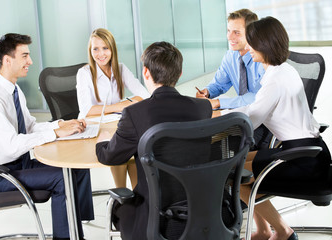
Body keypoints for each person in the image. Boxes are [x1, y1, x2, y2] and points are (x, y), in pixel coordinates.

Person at [217, 17, 331, 240]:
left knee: (230, 173)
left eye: (252, 43)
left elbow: (250, 120)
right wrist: (224, 113)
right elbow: (254, 108)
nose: (248, 48)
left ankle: (282, 232)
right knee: (236, 162)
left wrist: (216, 119)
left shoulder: (275, 80)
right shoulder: (283, 71)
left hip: (302, 159)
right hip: (309, 151)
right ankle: (263, 230)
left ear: (265, 44)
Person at [0, 33, 94, 240]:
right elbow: (11, 145)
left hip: (21, 165)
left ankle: (75, 227)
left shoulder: (14, 90)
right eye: (24, 56)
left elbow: (29, 127)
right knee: (61, 179)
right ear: (7, 60)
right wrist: (55, 133)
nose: (30, 61)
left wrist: (61, 124)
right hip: (0, 175)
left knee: (76, 166)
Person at [96, 41, 213, 239]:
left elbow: (110, 157)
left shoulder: (134, 113)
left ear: (146, 73)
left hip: (156, 217)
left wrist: (102, 140)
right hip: (202, 209)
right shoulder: (203, 108)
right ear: (180, 73)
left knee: (120, 207)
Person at [77, 28, 150, 189]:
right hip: (95, 128)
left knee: (134, 151)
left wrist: (117, 107)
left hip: (115, 124)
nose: (100, 54)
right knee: (120, 150)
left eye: (105, 48)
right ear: (90, 51)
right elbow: (87, 110)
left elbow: (144, 95)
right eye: (95, 49)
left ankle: (138, 195)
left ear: (112, 49)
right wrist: (122, 105)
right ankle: (121, 193)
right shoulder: (84, 73)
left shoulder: (120, 69)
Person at [196, 9, 270, 150]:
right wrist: (207, 93)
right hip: (243, 116)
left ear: (251, 34)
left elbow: (258, 98)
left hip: (263, 122)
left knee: (219, 143)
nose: (229, 37)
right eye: (228, 30)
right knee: (205, 136)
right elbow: (219, 83)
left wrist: (217, 103)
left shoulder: (262, 59)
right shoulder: (231, 56)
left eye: (236, 32)